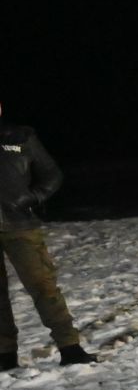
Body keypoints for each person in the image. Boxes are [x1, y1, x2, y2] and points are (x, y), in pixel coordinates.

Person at [1, 102, 97, 370]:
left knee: (43, 286)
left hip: (21, 225)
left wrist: (34, 197)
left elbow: (52, 174)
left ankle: (70, 347)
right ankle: (5, 355)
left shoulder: (20, 137)